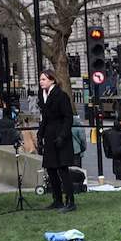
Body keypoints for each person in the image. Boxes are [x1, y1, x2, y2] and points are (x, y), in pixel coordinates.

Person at [37, 70, 75, 211]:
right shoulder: (43, 95)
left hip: (60, 136)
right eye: (40, 79)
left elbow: (68, 117)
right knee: (51, 169)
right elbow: (45, 118)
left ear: (52, 80)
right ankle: (57, 200)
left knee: (62, 169)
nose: (41, 82)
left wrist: (62, 136)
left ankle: (70, 202)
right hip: (49, 135)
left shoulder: (61, 95)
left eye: (44, 79)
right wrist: (40, 135)